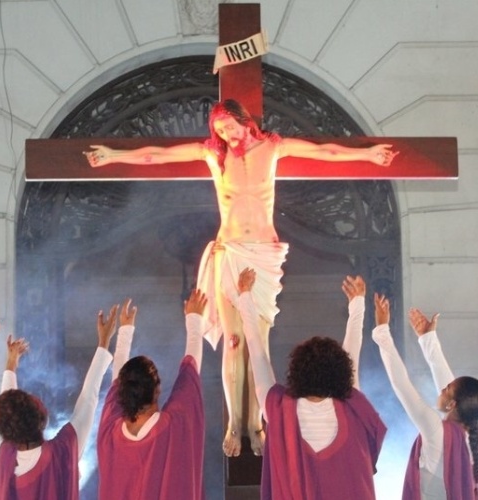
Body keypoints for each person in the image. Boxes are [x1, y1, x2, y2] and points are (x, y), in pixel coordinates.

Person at [85, 99, 397, 457]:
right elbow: (157, 155)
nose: (227, 135)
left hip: (263, 255)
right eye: (219, 131)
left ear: (243, 121)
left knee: (257, 341)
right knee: (234, 342)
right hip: (230, 252)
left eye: (229, 127)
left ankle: (256, 424)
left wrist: (369, 154)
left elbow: (325, 150)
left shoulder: (274, 147)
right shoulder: (213, 156)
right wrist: (111, 155)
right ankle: (236, 423)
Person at [236, 269, 387, 499]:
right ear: (342, 372)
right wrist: (357, 304)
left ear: (296, 371)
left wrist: (245, 296)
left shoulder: (278, 409)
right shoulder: (352, 406)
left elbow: (256, 351)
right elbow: (353, 348)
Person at [0, 302, 119, 499]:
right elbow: (87, 402)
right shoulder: (62, 452)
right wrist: (103, 343)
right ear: (42, 419)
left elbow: (8, 410)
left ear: (4, 429)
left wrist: (10, 365)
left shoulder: (0, 458)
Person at [371, 297, 478, 499]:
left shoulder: (436, 430)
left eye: (446, 390)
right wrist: (428, 339)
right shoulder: (477, 437)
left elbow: (401, 384)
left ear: (453, 404)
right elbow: (450, 385)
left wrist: (382, 331)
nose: (441, 389)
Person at [96, 290, 207, 499]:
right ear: (157, 389)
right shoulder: (173, 425)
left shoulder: (110, 432)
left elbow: (116, 383)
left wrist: (125, 331)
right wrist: (194, 319)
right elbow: (191, 372)